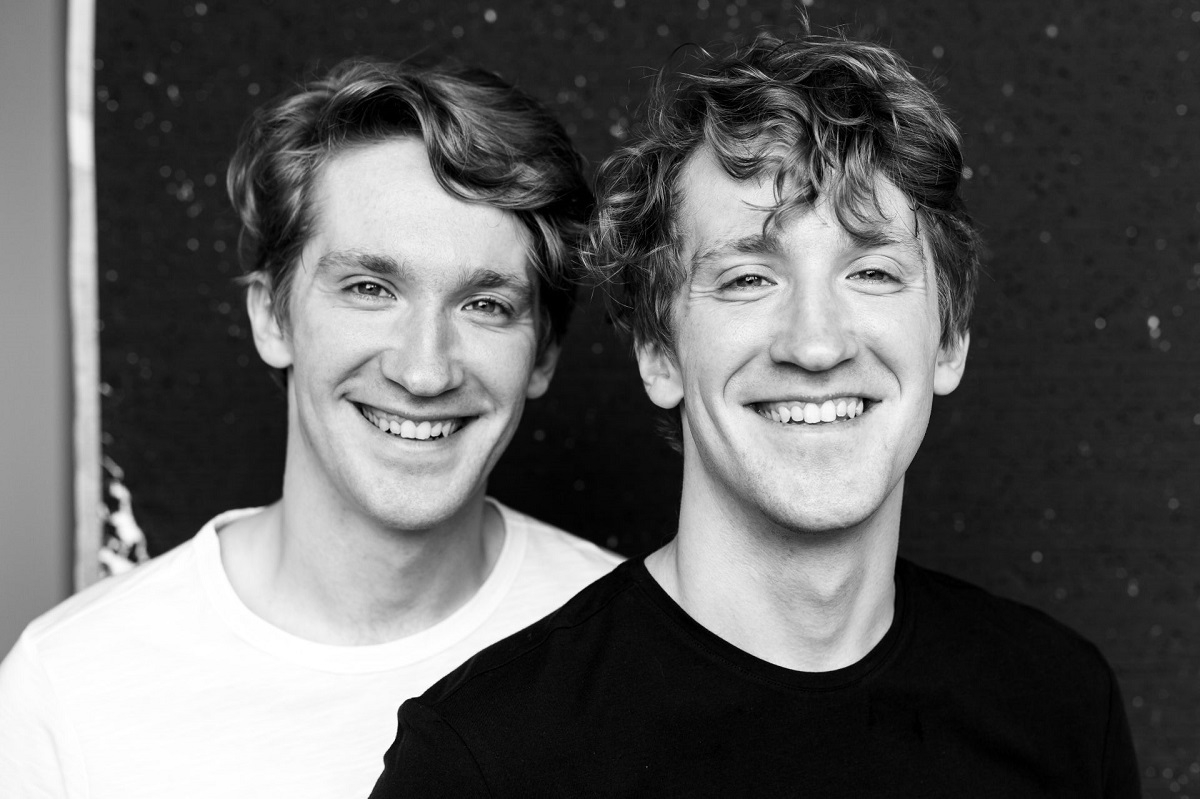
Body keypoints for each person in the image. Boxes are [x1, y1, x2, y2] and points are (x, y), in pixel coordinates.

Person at [368, 29, 1142, 798]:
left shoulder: (1063, 706)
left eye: (872, 271)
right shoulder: (483, 759)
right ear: (658, 352)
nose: (816, 343)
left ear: (949, 339)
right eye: (748, 278)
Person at [0, 58, 618, 798]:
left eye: (485, 305)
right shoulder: (68, 686)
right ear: (272, 316)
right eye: (369, 288)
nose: (425, 371)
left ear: (543, 352)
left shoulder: (637, 646)